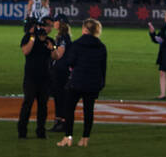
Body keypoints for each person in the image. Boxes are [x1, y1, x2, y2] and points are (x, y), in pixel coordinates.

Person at [57, 19, 107, 148]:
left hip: (77, 81)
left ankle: (68, 137)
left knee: (69, 110)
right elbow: (103, 68)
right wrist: (101, 84)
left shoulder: (77, 44)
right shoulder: (101, 46)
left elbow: (70, 61)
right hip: (93, 83)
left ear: (85, 29)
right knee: (88, 111)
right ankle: (85, 139)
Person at [18, 17, 57, 138]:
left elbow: (55, 57)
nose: (50, 28)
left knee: (43, 106)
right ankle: (22, 130)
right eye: (48, 25)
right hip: (31, 77)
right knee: (27, 104)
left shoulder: (50, 41)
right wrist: (33, 37)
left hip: (45, 78)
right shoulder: (29, 37)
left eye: (51, 26)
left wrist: (53, 48)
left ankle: (41, 131)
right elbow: (26, 51)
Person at [49, 13, 73, 132]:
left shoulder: (63, 37)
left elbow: (59, 54)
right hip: (61, 70)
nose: (54, 23)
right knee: (59, 97)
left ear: (61, 22)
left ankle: (62, 122)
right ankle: (59, 121)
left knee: (60, 97)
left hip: (61, 71)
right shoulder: (63, 36)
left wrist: (51, 48)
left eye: (56, 21)